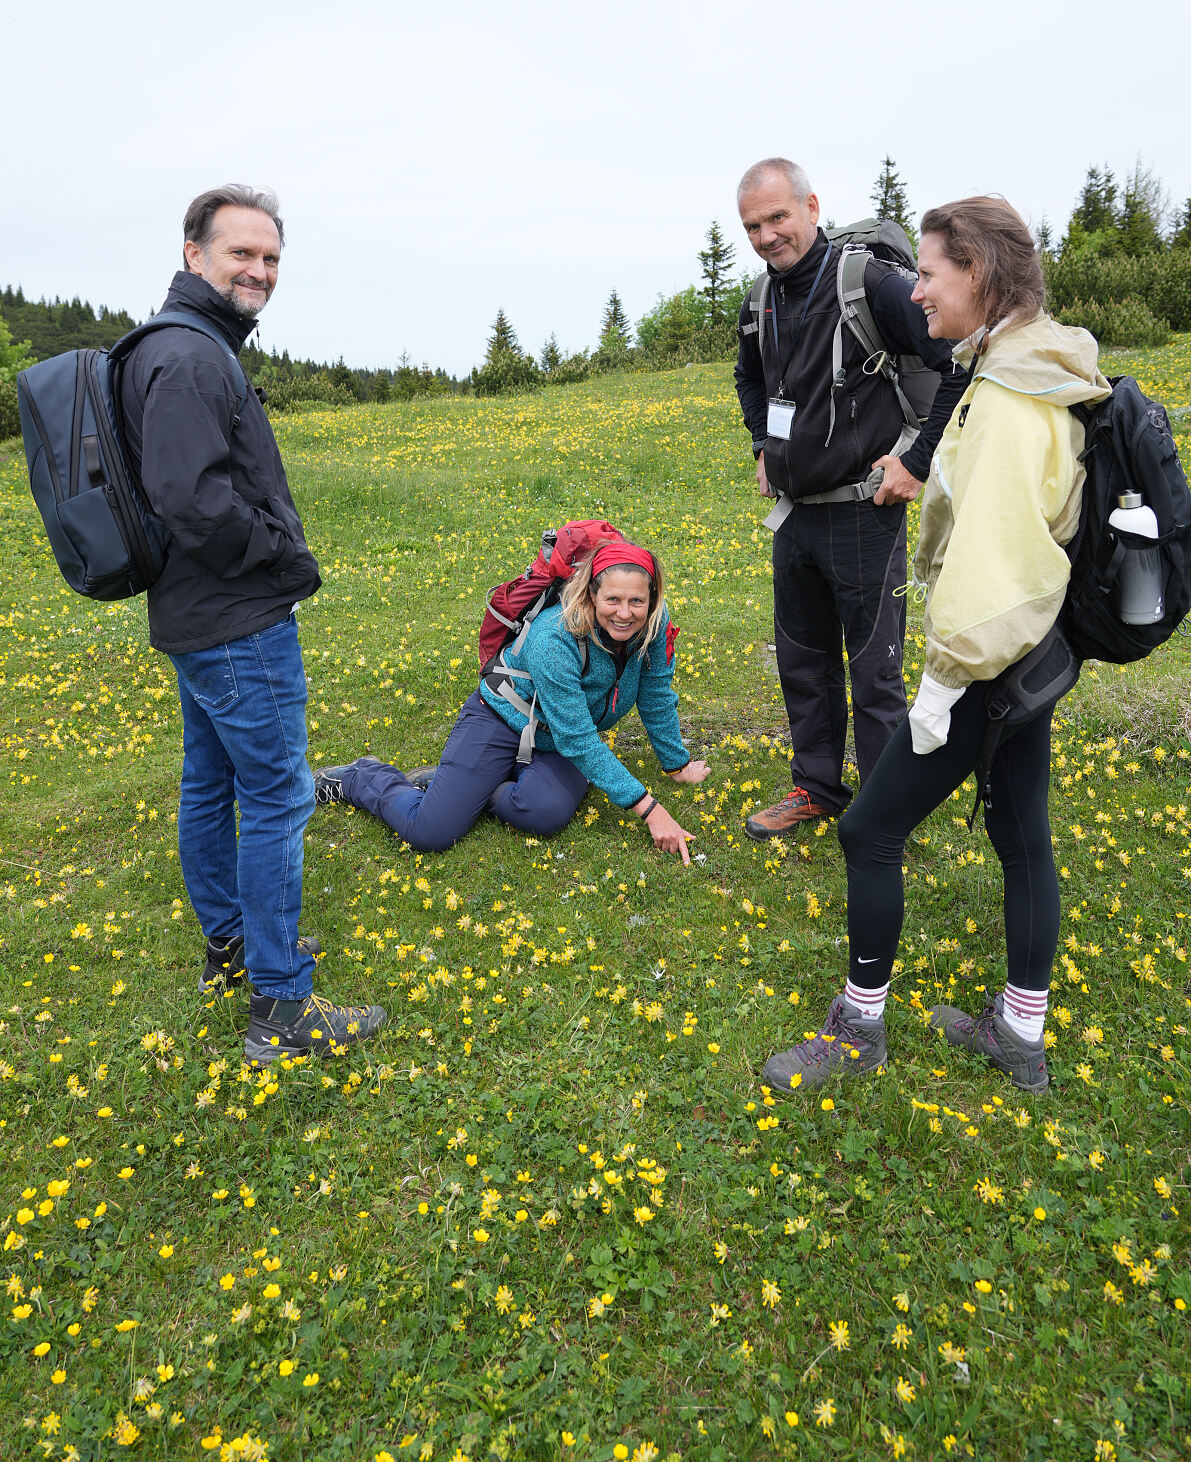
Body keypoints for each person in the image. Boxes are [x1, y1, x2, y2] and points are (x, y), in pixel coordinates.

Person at [762, 196, 1111, 1095]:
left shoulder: (1001, 406)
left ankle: (857, 1032)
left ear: (980, 275)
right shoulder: (1036, 367)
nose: (913, 290)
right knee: (1022, 835)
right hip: (1039, 654)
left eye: (927, 272)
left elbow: (992, 574)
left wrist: (942, 686)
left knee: (870, 830)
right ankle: (1018, 1037)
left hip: (991, 661)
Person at [120, 184, 386, 1063]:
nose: (259, 272)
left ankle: (231, 949)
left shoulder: (174, 346)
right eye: (242, 253)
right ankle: (279, 1006)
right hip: (237, 618)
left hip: (195, 615)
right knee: (276, 796)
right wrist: (279, 551)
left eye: (270, 258)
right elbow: (192, 500)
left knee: (210, 781)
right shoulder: (193, 358)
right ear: (193, 254)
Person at [733, 158, 965, 838]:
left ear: (809, 205)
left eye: (777, 217)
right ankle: (816, 789)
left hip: (864, 512)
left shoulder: (869, 284)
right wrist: (760, 446)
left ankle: (885, 811)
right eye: (752, 226)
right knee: (802, 662)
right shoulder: (759, 300)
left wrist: (916, 463)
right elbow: (749, 380)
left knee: (874, 675)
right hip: (795, 517)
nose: (768, 235)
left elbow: (953, 362)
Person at [313, 541, 710, 860]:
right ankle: (360, 777)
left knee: (545, 812)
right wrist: (652, 810)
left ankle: (465, 787)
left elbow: (655, 693)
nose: (624, 613)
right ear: (591, 593)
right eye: (613, 600)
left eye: (636, 602)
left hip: (558, 737)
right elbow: (579, 740)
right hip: (501, 720)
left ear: (652, 597)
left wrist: (676, 764)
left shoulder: (654, 623)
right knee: (430, 832)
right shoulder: (555, 638)